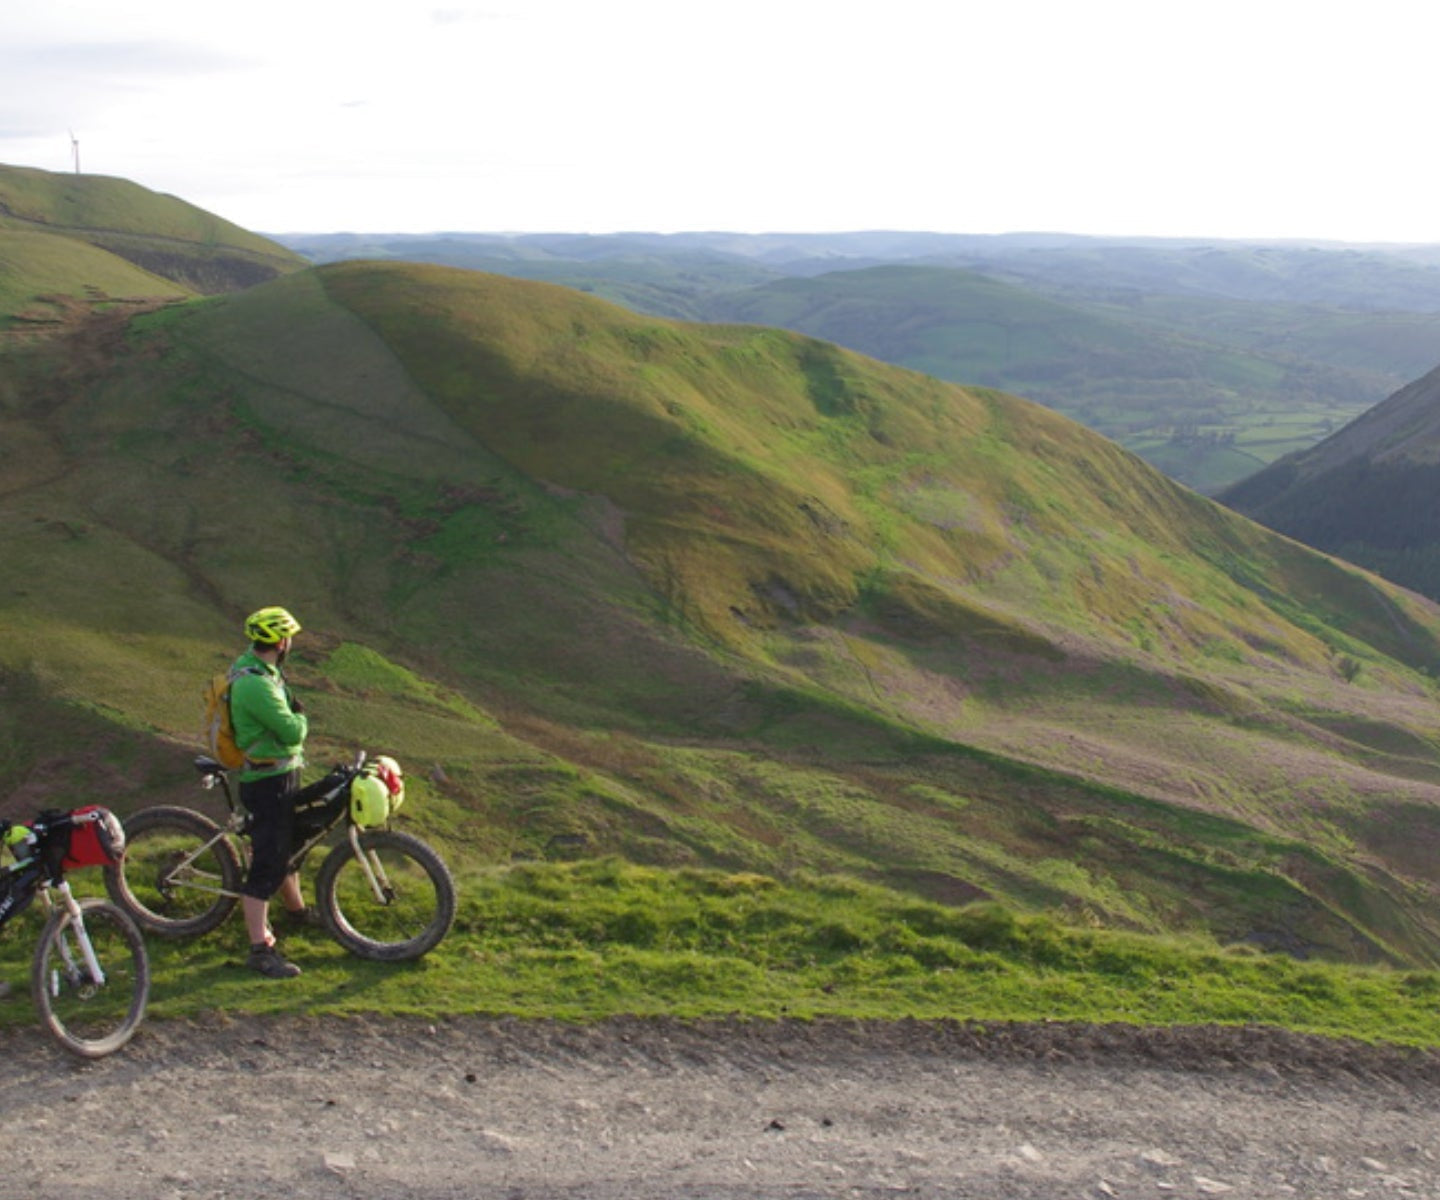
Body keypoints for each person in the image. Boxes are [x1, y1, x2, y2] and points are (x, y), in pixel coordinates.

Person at [229, 605, 321, 979]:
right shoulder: (256, 683)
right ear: (281, 642)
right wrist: (301, 717)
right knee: (267, 862)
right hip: (267, 782)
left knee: (286, 847)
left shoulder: (262, 670)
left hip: (280, 775)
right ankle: (259, 950)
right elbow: (292, 732)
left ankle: (297, 912)